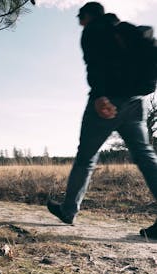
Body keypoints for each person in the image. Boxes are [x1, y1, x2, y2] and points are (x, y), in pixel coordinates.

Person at [46, 2, 157, 239]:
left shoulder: (93, 30)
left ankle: (68, 210)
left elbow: (94, 64)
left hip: (107, 100)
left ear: (89, 15)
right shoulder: (125, 29)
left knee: (86, 157)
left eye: (80, 17)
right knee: (145, 155)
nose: (79, 22)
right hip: (136, 101)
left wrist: (99, 96)